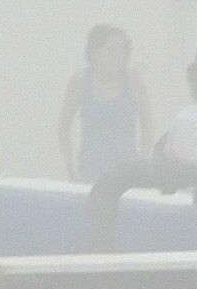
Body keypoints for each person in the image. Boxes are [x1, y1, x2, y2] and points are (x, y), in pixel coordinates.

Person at [54, 24, 150, 182]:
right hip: (90, 173)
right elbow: (63, 129)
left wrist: (142, 169)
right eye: (111, 50)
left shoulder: (134, 81)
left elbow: (148, 130)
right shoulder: (80, 82)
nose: (118, 56)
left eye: (123, 51)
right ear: (94, 52)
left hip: (127, 175)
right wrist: (71, 171)